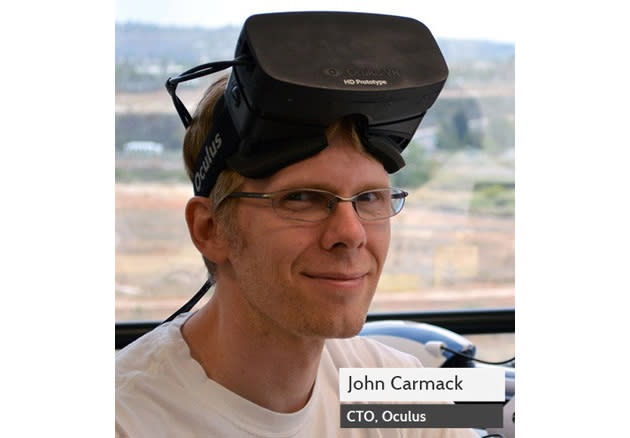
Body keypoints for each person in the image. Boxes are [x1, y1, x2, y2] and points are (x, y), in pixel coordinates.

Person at [116, 12, 478, 438]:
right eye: (302, 199)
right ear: (210, 230)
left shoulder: (385, 386)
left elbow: (494, 404)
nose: (351, 232)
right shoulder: (128, 417)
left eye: (369, 198)